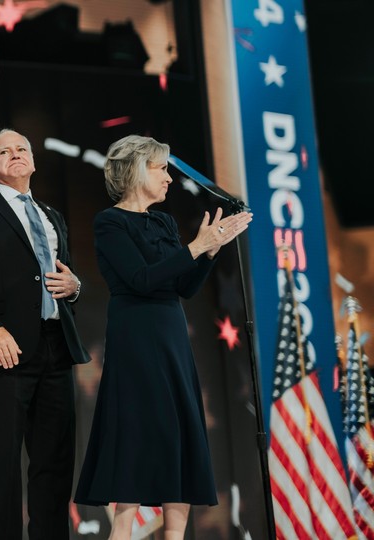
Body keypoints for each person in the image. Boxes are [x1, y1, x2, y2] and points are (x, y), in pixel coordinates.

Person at [73, 135, 252, 539]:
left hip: (171, 336)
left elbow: (184, 287)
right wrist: (196, 247)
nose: (169, 178)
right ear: (137, 171)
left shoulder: (165, 222)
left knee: (179, 439)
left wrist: (209, 252)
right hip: (136, 340)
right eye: (162, 169)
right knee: (135, 442)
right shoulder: (111, 221)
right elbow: (140, 279)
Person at [0, 128, 90, 539]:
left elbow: (67, 277)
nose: (15, 154)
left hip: (56, 346)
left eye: (22, 149)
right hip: (5, 348)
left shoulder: (52, 215)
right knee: (2, 461)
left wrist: (75, 287)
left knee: (55, 461)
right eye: (3, 152)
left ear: (33, 161)